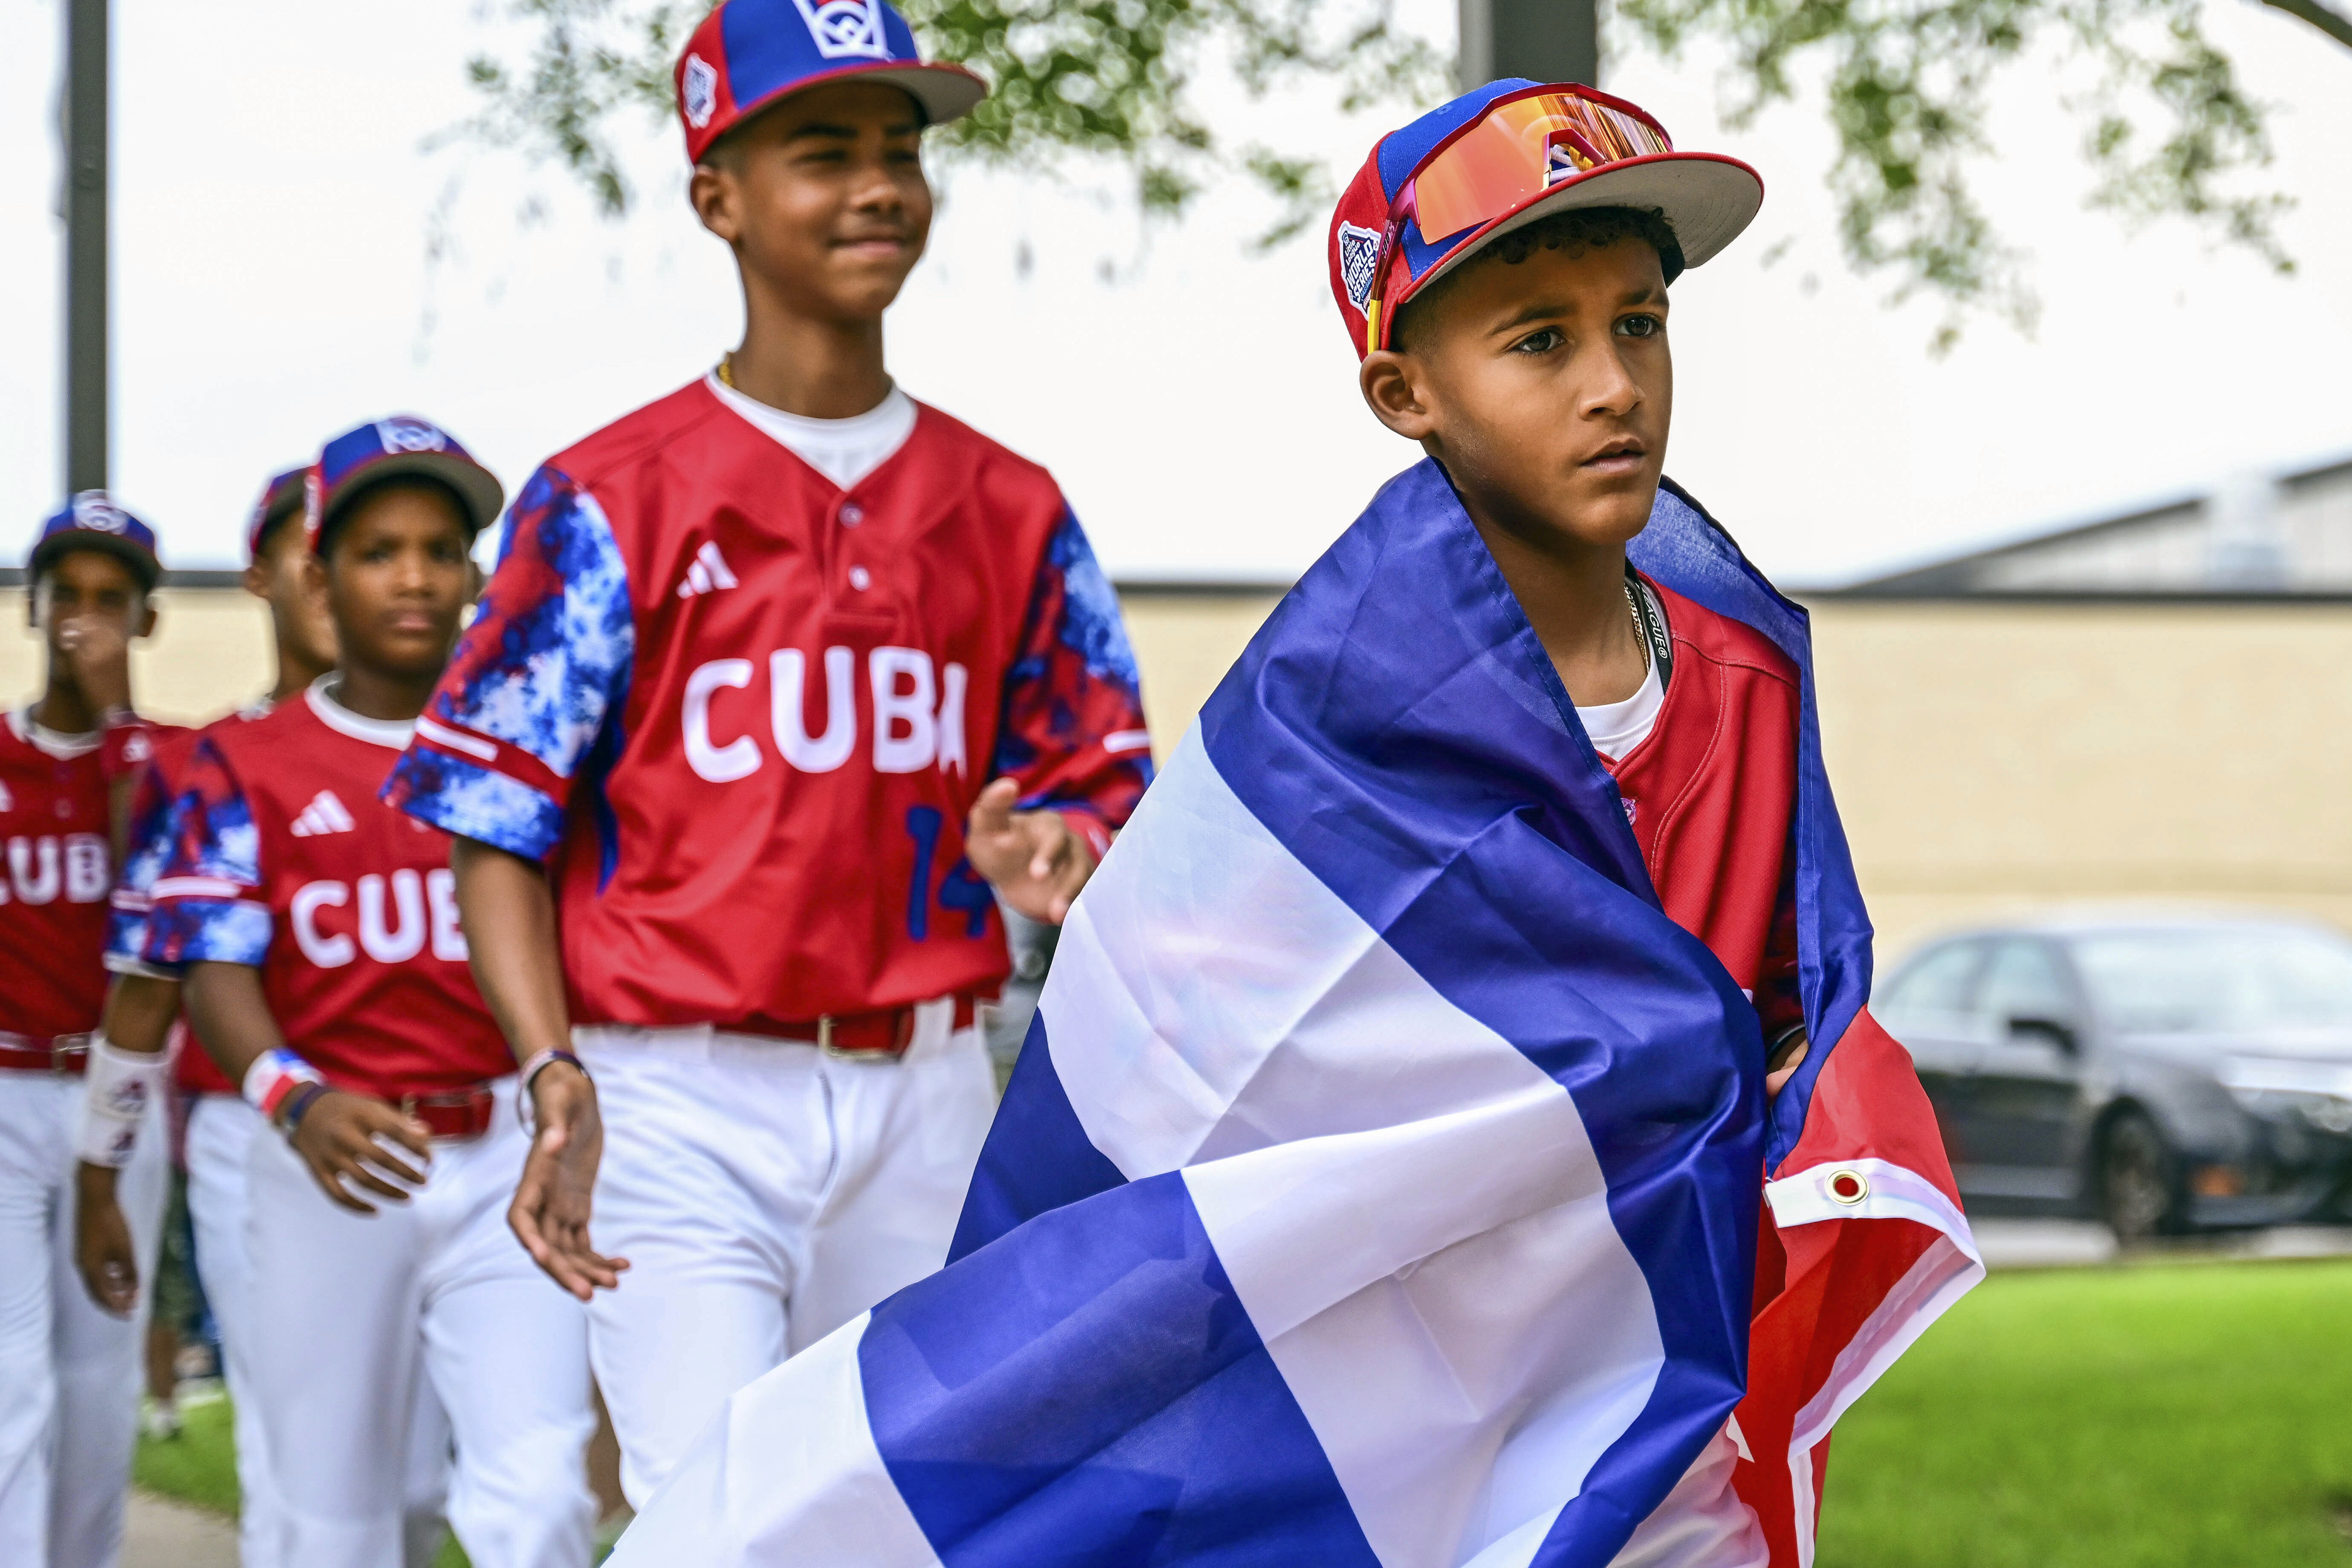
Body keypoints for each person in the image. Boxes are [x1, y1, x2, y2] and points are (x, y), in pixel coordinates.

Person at [606, 79, 1976, 1568]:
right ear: (1405, 395)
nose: (1611, 385)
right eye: (1537, 340)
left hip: (1658, 1354)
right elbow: (1208, 1072)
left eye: (1636, 322)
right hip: (1395, 1367)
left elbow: (1778, 1001)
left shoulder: (1743, 668)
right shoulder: (1337, 705)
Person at [381, 0, 1156, 1509]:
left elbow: (1097, 778)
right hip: (673, 1093)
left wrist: (1059, 846)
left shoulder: (1010, 503)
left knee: (901, 1508)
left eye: (898, 149)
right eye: (823, 150)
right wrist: (552, 1072)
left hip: (924, 1083)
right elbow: (494, 820)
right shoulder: (605, 496)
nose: (876, 184)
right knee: (714, 1511)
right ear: (718, 195)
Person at [145, 418, 597, 1568]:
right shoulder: (242, 764)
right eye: (378, 548)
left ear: (472, 578)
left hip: (507, 1155)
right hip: (333, 1161)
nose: (412, 576)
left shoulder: (530, 751)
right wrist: (291, 1095)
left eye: (440, 550)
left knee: (540, 1502)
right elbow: (212, 970)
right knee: (329, 1524)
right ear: (321, 575)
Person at [75, 465, 458, 1566]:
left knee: (422, 1478)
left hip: (442, 1133)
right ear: (277, 574)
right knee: (302, 1464)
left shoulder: (454, 753)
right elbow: (142, 976)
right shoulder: (205, 762)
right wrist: (103, 1162)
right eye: (328, 551)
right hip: (261, 1136)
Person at [0, 493, 167, 1568]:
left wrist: (122, 723)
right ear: (34, 605)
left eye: (114, 600)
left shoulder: (166, 765)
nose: (86, 619)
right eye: (69, 594)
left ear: (146, 621)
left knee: (100, 1384)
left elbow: (149, 901)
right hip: (8, 1086)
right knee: (10, 1381)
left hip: (123, 1097)